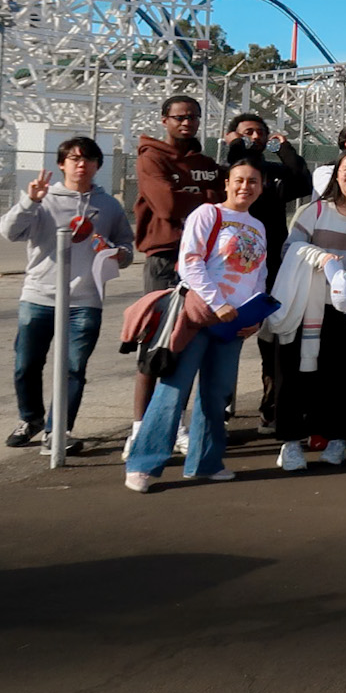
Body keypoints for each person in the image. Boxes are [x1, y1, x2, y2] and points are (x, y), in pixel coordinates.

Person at [123, 153, 270, 492]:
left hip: (234, 323)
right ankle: (144, 463)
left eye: (253, 181)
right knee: (174, 388)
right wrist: (217, 304)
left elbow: (258, 273)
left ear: (261, 188)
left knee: (216, 396)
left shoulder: (258, 226)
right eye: (240, 180)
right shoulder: (208, 213)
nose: (245, 186)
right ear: (227, 183)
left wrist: (255, 315)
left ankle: (206, 460)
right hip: (200, 315)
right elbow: (190, 262)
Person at [0, 137, 134, 452]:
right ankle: (31, 419)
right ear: (62, 164)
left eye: (88, 159)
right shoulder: (42, 199)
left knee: (74, 368)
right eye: (73, 159)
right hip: (39, 296)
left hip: (85, 301)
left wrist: (116, 252)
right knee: (26, 365)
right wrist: (29, 201)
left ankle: (57, 431)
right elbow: (9, 232)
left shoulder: (109, 206)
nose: (81, 164)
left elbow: (127, 249)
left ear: (98, 166)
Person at [274, 149, 346, 472]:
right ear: (336, 175)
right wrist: (320, 258)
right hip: (308, 302)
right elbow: (289, 248)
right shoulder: (315, 211)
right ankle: (290, 442)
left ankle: (338, 437)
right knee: (294, 375)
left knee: (342, 375)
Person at [127, 94, 223, 456]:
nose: (187, 123)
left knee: (188, 347)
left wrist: (189, 192)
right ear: (164, 120)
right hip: (166, 260)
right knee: (156, 344)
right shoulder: (151, 158)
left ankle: (175, 425)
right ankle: (139, 429)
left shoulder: (206, 162)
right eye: (180, 117)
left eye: (193, 117)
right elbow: (166, 206)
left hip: (202, 261)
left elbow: (221, 201)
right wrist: (203, 195)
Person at [223, 112, 313, 434]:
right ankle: (218, 412)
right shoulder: (228, 171)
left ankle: (271, 408)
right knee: (223, 342)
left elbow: (303, 181)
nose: (255, 138)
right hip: (230, 271)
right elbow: (237, 168)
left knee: (271, 342)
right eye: (248, 132)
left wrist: (284, 148)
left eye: (260, 132)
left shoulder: (272, 174)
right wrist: (235, 147)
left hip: (270, 267)